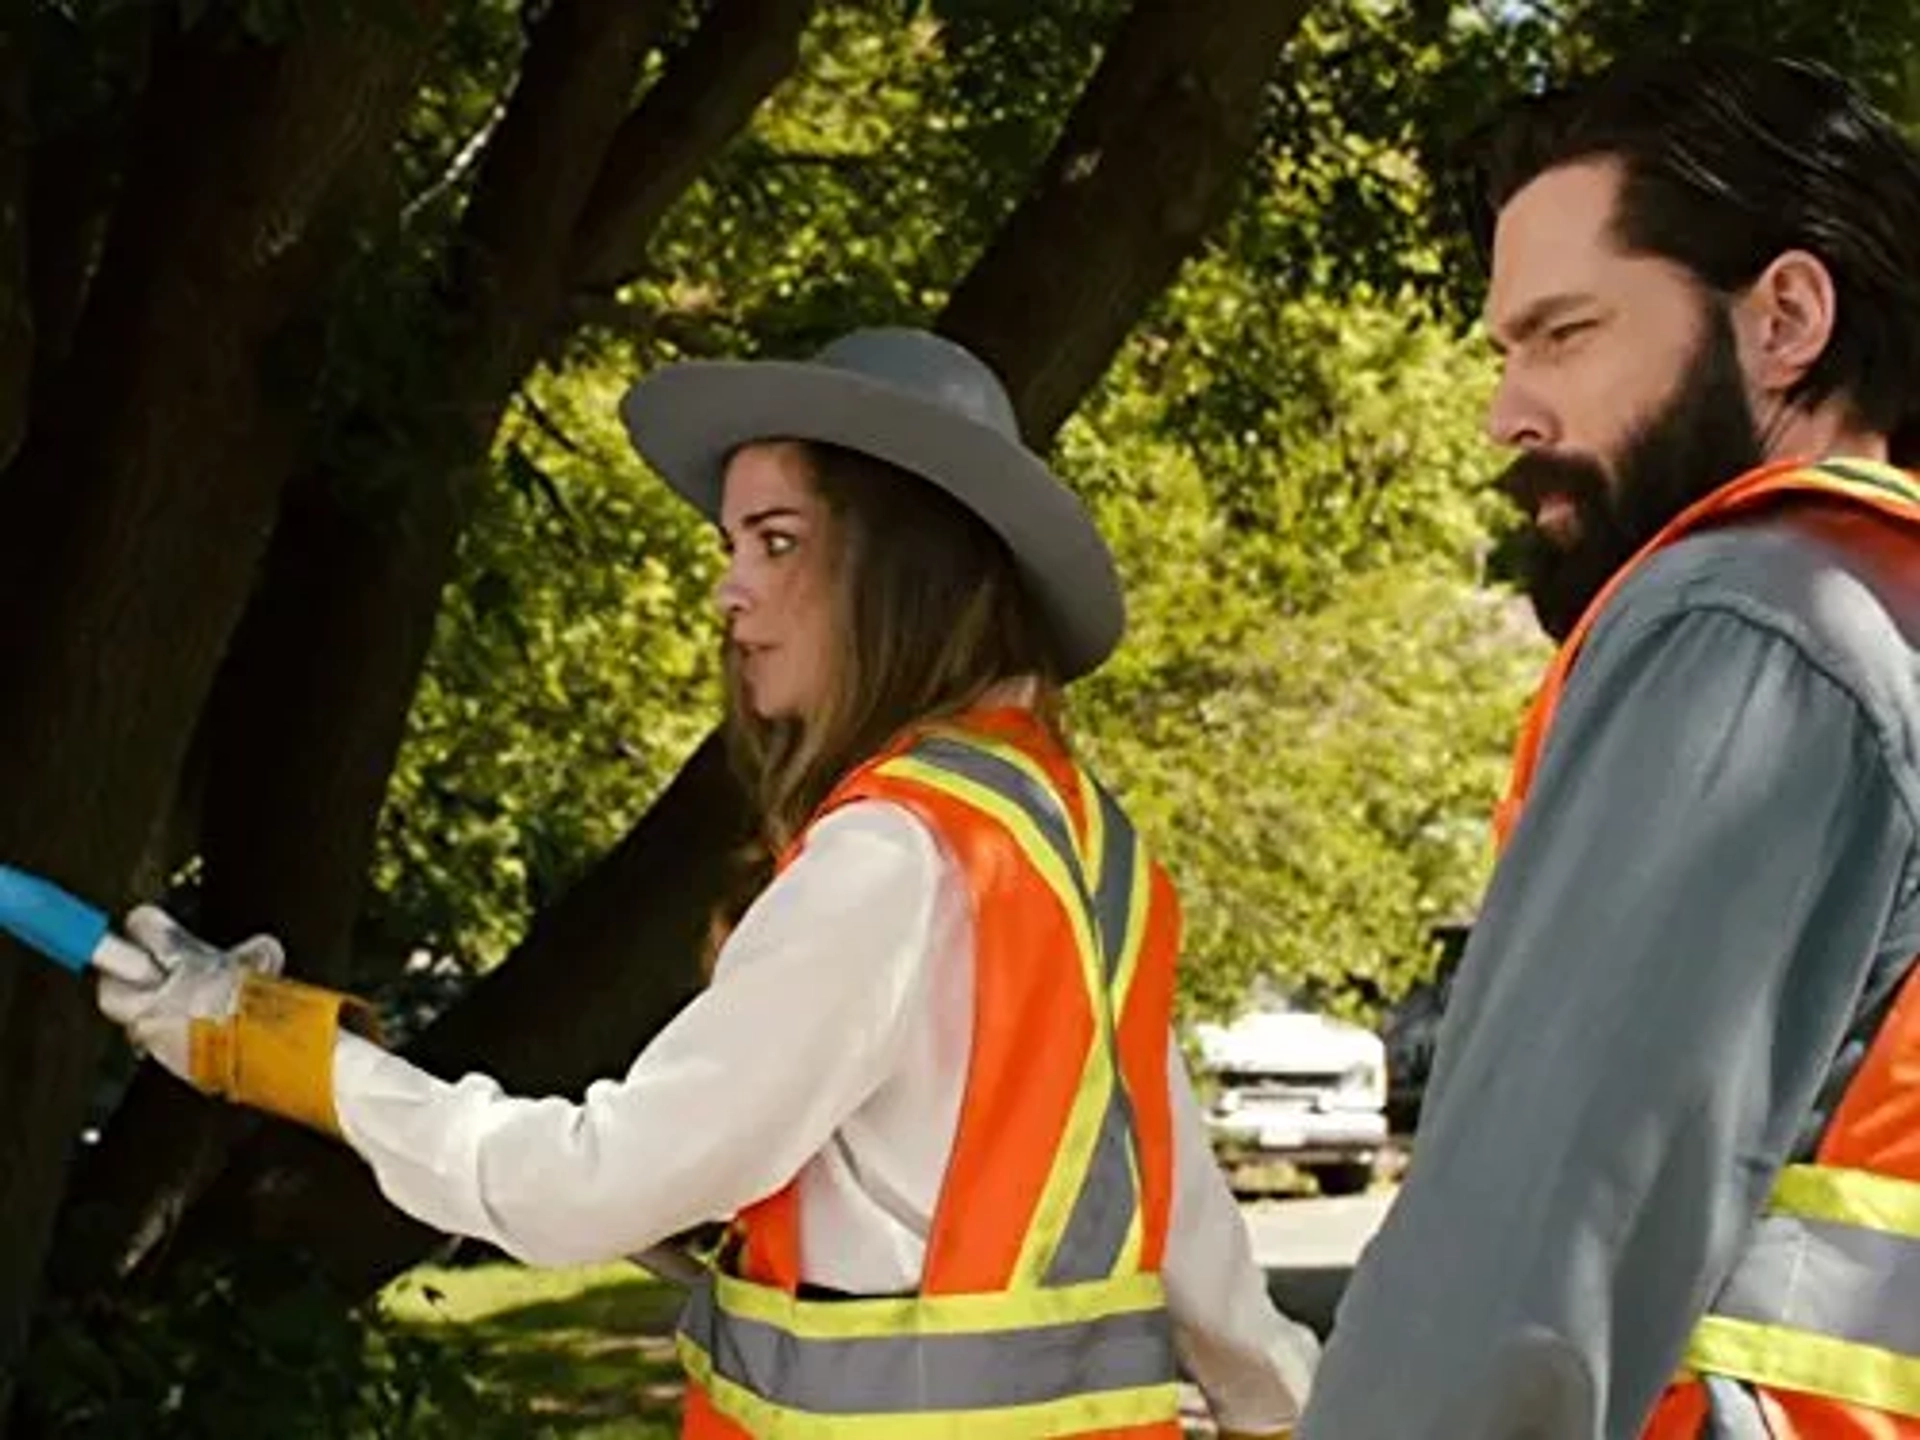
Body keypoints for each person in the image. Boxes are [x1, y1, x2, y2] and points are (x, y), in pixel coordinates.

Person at [95, 326, 1318, 1438]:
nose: (731, 591)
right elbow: (1183, 1228)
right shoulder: (1078, 842)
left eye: (778, 541)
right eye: (731, 545)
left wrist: (279, 1050)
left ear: (906, 561)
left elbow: (582, 1191)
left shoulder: (894, 852)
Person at [1296, 49, 1920, 1440]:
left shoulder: (1758, 621)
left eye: (1564, 336)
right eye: (1506, 350)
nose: (1506, 414)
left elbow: (1521, 1269)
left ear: (1786, 318)